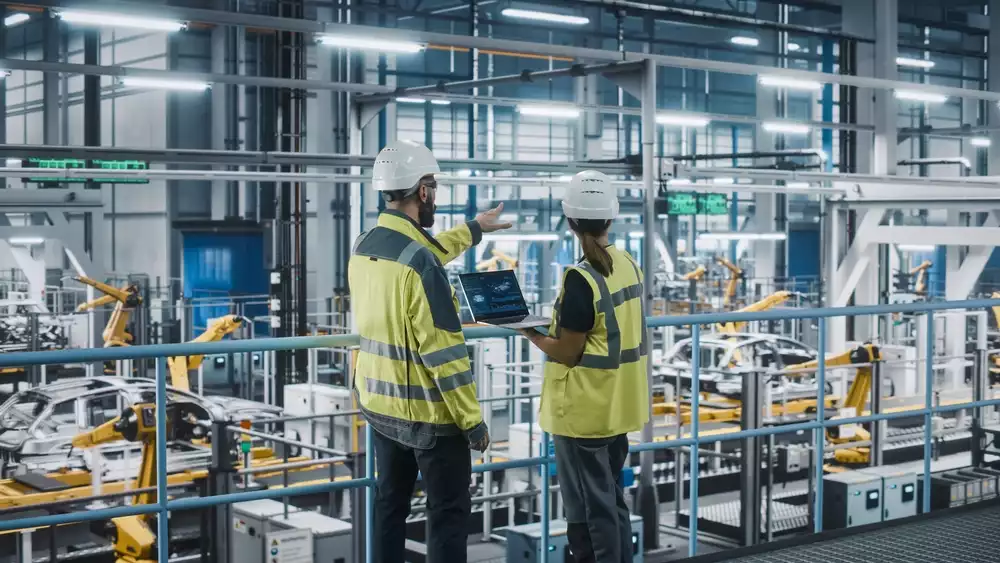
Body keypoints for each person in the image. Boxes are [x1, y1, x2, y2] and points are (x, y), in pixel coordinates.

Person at [349, 140, 512, 563]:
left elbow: (426, 252)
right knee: (449, 515)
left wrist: (475, 229)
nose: (434, 195)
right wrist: (473, 422)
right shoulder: (419, 263)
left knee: (389, 506)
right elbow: (446, 357)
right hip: (430, 418)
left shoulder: (365, 246)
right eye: (434, 187)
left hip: (380, 407)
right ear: (423, 191)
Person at [519, 170, 649, 563]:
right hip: (618, 406)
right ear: (611, 217)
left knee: (588, 513)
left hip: (583, 413)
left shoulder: (581, 278)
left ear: (570, 221)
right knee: (611, 500)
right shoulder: (627, 262)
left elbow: (568, 352)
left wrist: (529, 333)